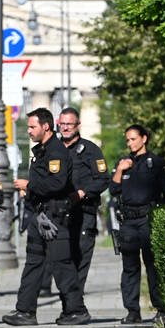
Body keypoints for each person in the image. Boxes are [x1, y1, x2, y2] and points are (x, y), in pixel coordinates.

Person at [4, 107, 89, 326]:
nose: (29, 131)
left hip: (55, 216)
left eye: (32, 127)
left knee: (61, 263)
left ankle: (76, 310)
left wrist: (29, 185)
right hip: (40, 214)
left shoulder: (56, 152)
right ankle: (25, 310)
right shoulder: (41, 150)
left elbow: (57, 183)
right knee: (33, 261)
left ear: (46, 126)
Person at [111, 124, 165, 325]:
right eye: (127, 140)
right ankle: (132, 311)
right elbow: (113, 189)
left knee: (152, 265)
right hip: (128, 221)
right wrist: (120, 170)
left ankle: (161, 309)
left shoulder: (155, 163)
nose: (130, 143)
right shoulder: (123, 163)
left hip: (148, 218)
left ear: (144, 139)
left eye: (133, 139)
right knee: (129, 266)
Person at [55, 107, 108, 295]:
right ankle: (68, 303)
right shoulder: (53, 149)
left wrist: (82, 193)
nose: (66, 128)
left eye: (70, 124)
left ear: (78, 125)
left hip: (84, 212)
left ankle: (75, 306)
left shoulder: (91, 150)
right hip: (59, 215)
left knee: (81, 258)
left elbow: (103, 179)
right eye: (62, 124)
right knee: (61, 260)